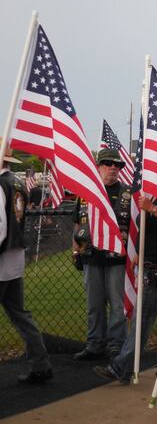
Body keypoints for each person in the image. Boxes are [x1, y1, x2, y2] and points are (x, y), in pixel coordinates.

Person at [93, 171, 157, 382]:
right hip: (151, 264)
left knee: (141, 320)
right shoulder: (149, 198)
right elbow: (148, 232)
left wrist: (152, 208)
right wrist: (139, 255)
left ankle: (121, 367)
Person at [0, 145, 53, 383]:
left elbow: (0, 228)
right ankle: (40, 364)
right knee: (20, 314)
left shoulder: (1, 185)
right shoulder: (16, 182)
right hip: (14, 258)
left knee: (19, 314)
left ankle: (41, 364)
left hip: (2, 258)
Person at [72, 148, 131, 360]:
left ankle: (116, 345)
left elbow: (135, 229)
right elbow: (77, 223)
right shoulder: (86, 192)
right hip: (90, 256)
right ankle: (94, 343)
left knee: (117, 305)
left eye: (117, 165)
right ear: (98, 166)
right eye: (107, 163)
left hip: (117, 259)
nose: (113, 168)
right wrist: (75, 250)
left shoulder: (129, 194)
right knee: (94, 305)